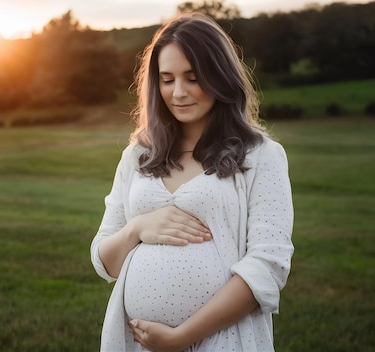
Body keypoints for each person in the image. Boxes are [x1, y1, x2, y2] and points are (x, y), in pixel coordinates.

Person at [90, 12, 294, 352]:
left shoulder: (261, 156)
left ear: (220, 76)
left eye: (193, 77)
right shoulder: (138, 156)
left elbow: (267, 266)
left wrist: (182, 337)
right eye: (167, 80)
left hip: (225, 340)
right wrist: (137, 228)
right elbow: (105, 261)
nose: (178, 93)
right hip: (139, 344)